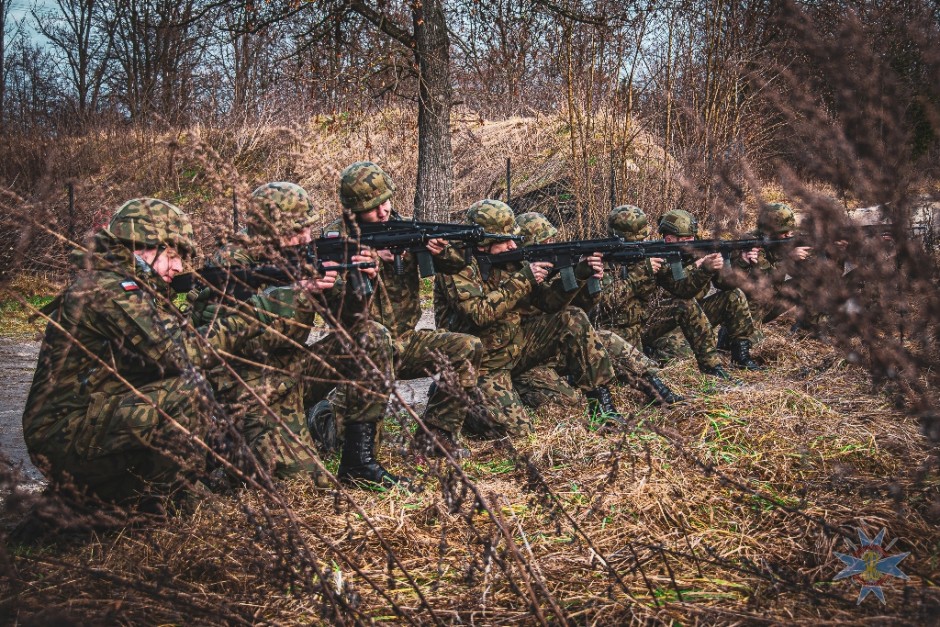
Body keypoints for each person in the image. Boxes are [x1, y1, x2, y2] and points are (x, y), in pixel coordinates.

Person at [22, 198, 266, 505]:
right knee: (188, 392)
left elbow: (163, 348)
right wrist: (257, 313)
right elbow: (180, 353)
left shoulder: (127, 284)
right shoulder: (107, 288)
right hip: (64, 435)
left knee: (208, 382)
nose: (178, 267)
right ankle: (144, 506)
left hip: (91, 421)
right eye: (173, 255)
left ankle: (131, 495)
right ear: (142, 246)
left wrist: (208, 309)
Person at [193, 182, 402, 488]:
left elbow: (350, 321)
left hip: (296, 374)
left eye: (307, 227)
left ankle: (359, 461)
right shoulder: (229, 266)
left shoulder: (304, 254)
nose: (304, 237)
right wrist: (297, 294)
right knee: (304, 485)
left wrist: (359, 280)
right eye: (294, 230)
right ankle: (225, 453)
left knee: (372, 337)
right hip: (251, 392)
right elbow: (219, 339)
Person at [310, 162, 483, 459]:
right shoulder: (335, 243)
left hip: (405, 341)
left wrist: (440, 252)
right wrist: (368, 263)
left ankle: (435, 439)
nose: (383, 211)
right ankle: (323, 416)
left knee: (466, 348)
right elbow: (338, 313)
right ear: (353, 211)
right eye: (373, 207)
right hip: (362, 349)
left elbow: (457, 266)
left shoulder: (405, 230)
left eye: (386, 201)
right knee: (338, 444)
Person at [435, 199, 626, 436]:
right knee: (518, 432)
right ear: (483, 242)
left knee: (571, 318)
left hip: (515, 349)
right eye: (504, 241)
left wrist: (580, 273)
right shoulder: (456, 265)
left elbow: (547, 303)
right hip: (479, 363)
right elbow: (478, 314)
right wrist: (524, 278)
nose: (511, 246)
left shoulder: (511, 259)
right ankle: (454, 394)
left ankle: (602, 405)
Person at [510, 211, 683, 406]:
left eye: (552, 241)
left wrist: (583, 278)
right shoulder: (516, 277)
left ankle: (660, 392)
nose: (552, 247)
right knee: (569, 402)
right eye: (545, 243)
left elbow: (577, 310)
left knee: (606, 339)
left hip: (555, 349)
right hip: (525, 359)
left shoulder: (548, 272)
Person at [593, 206, 753, 378]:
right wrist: (638, 275)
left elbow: (682, 289)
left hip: (645, 324)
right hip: (616, 334)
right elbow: (604, 305)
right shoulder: (601, 262)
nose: (639, 244)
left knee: (685, 304)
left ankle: (712, 367)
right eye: (634, 240)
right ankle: (654, 355)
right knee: (665, 362)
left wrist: (704, 270)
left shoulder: (650, 256)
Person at [725, 202, 813, 327]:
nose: (788, 235)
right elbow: (767, 279)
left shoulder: (782, 240)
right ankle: (745, 333)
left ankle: (808, 325)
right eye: (784, 232)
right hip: (748, 309)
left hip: (771, 302)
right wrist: (789, 258)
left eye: (790, 231)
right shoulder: (751, 244)